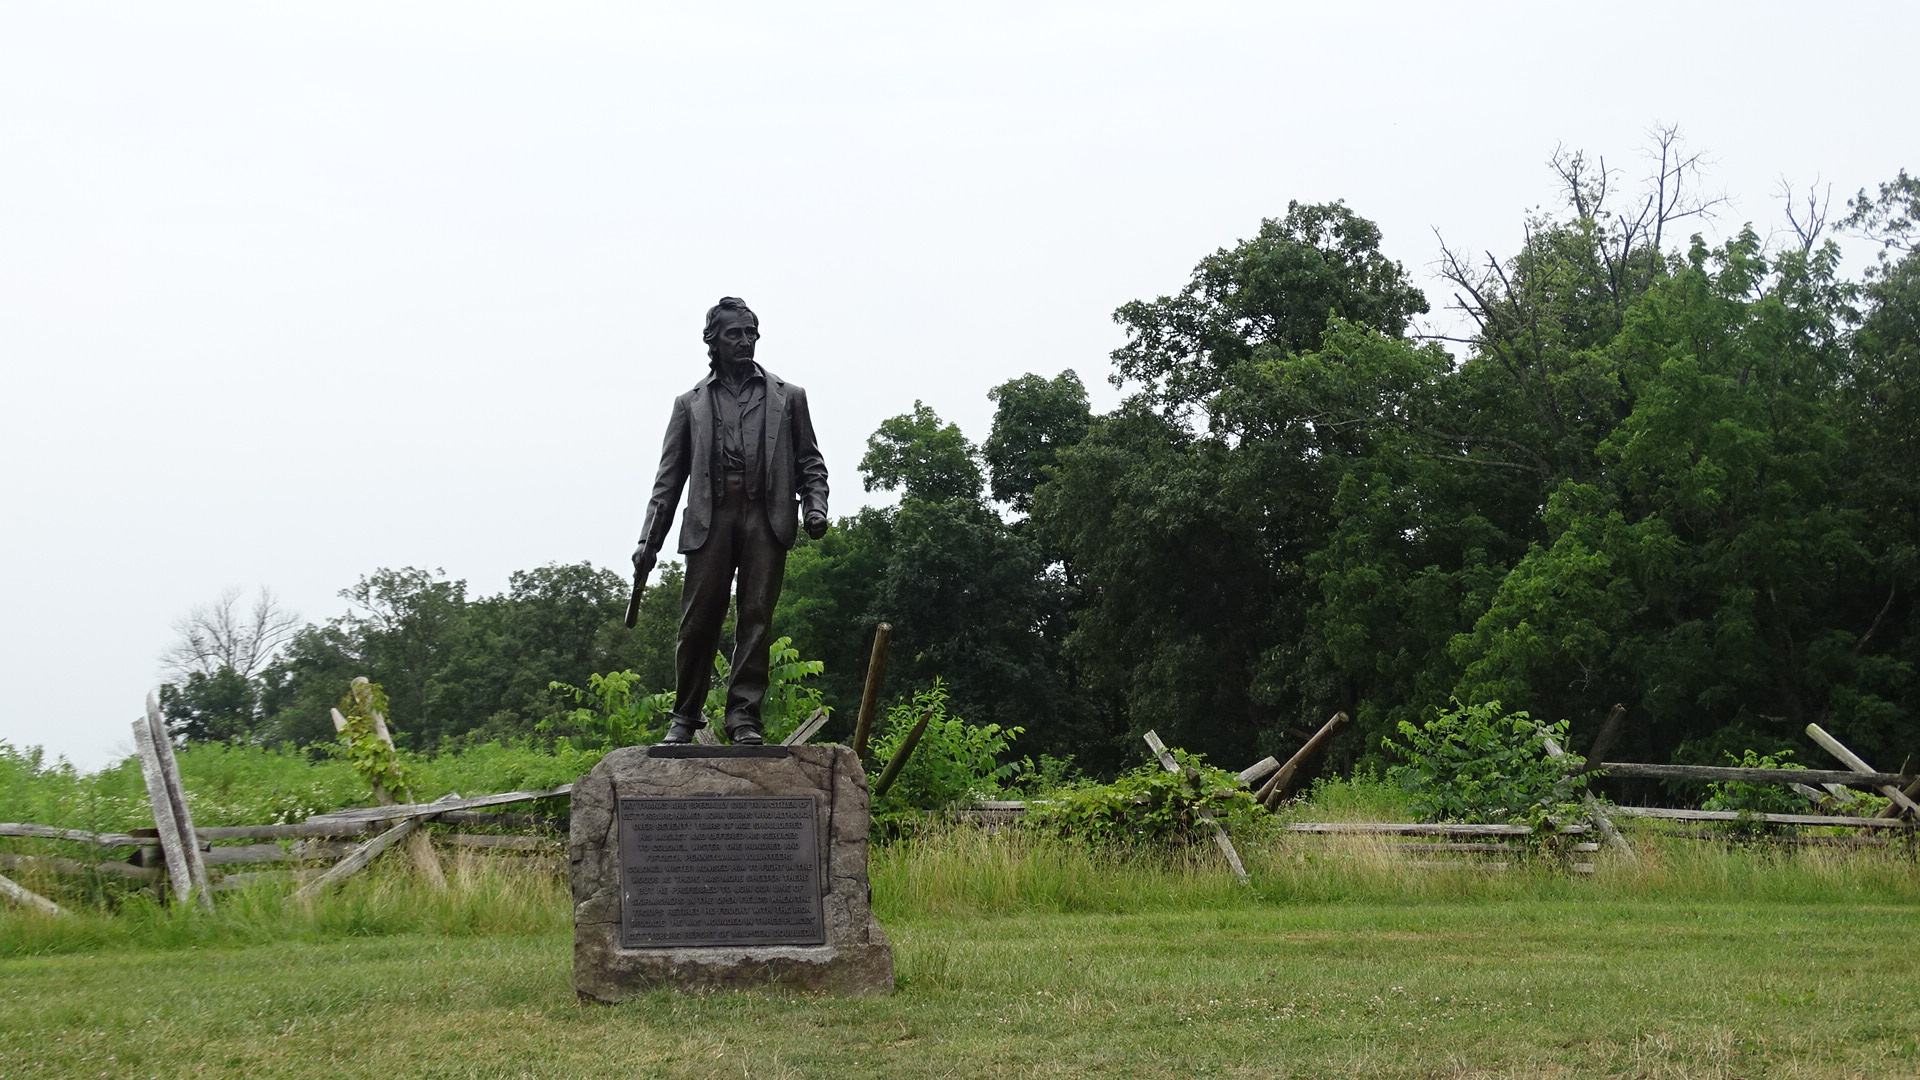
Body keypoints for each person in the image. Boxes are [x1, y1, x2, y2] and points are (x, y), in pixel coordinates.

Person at [631, 297, 830, 744]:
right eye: (734, 334)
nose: (745, 341)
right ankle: (685, 716)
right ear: (712, 341)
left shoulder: (788, 397)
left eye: (750, 333)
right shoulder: (690, 404)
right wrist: (649, 541)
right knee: (699, 620)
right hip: (711, 518)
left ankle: (743, 718)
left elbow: (810, 462)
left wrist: (815, 504)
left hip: (766, 516)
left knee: (755, 618)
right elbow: (668, 481)